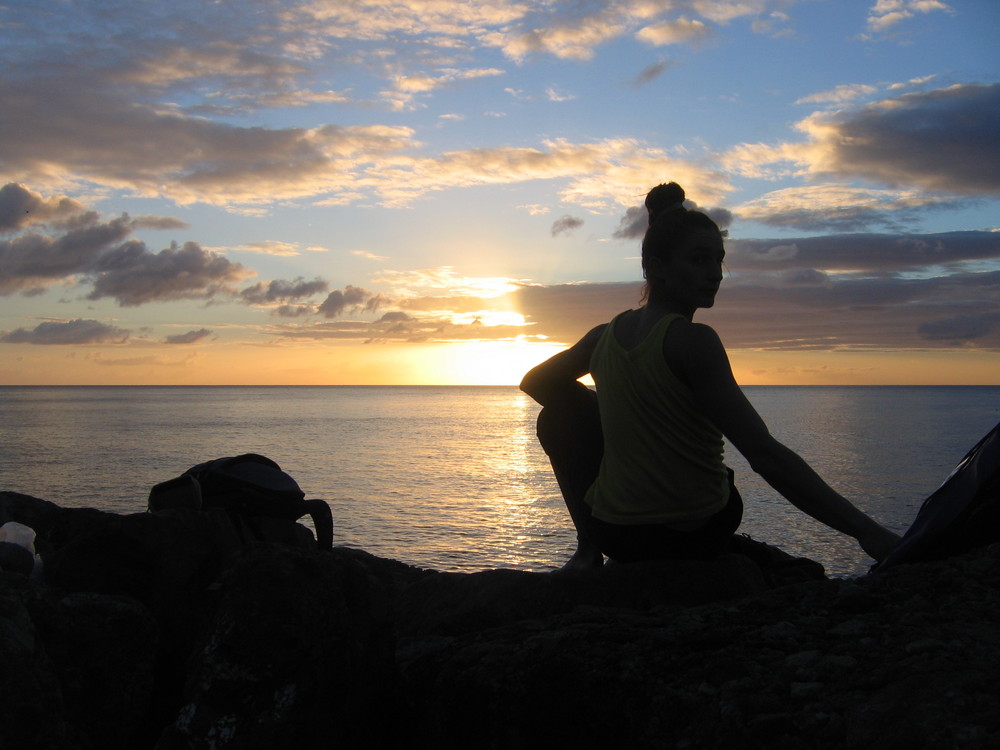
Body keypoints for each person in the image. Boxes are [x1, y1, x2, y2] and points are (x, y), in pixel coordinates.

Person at [521, 181, 900, 569]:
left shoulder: (602, 338)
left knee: (560, 412)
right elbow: (765, 455)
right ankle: (736, 560)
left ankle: (588, 549)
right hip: (690, 537)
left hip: (616, 536)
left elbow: (535, 382)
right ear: (656, 267)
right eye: (699, 260)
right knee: (724, 495)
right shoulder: (692, 340)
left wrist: (615, 409)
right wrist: (866, 531)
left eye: (718, 260)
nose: (715, 274)